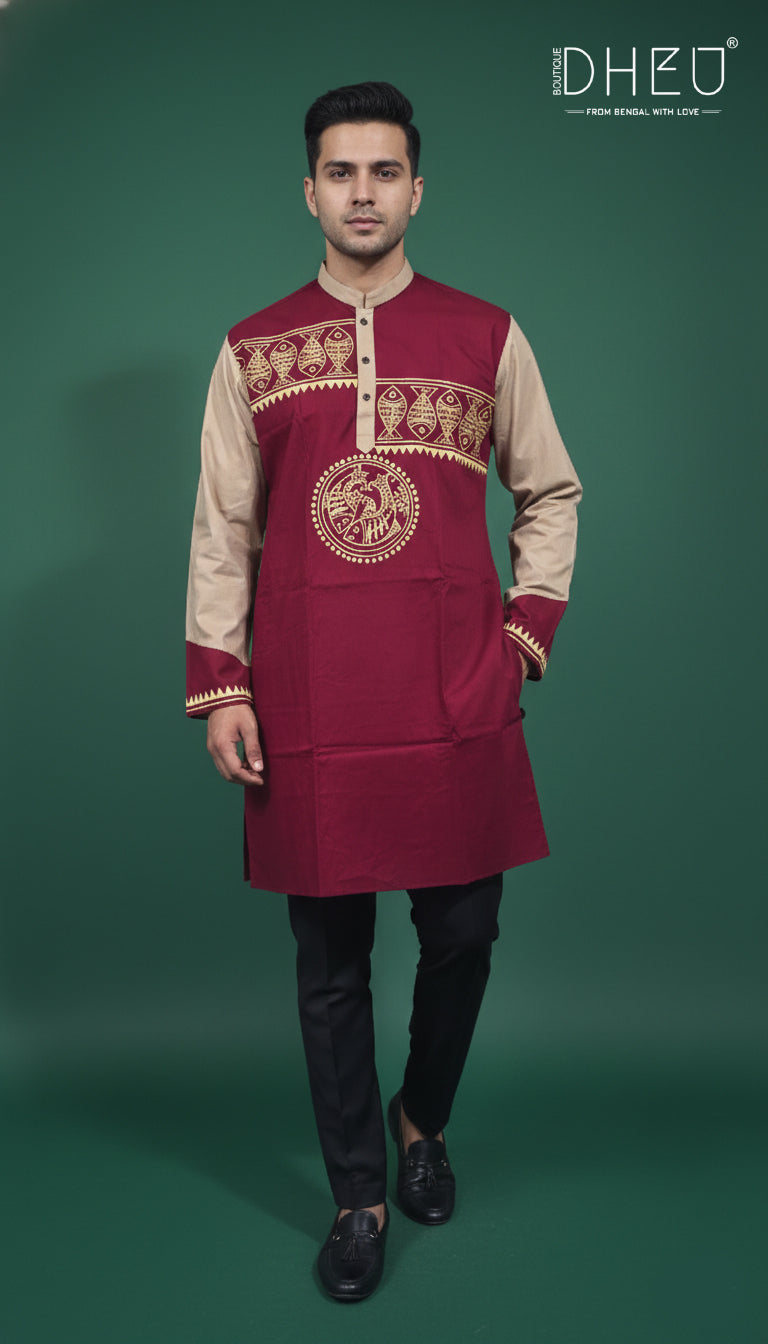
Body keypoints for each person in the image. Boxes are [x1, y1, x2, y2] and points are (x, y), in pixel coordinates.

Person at [186, 81, 581, 1301]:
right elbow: (222, 529)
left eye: (385, 171)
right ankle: (359, 1194)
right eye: (341, 172)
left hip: (455, 694)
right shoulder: (253, 349)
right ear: (310, 192)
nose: (364, 192)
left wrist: (520, 634)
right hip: (310, 704)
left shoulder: (486, 336)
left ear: (418, 189)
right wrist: (223, 683)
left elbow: (551, 490)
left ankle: (423, 1119)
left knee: (464, 934)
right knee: (330, 962)